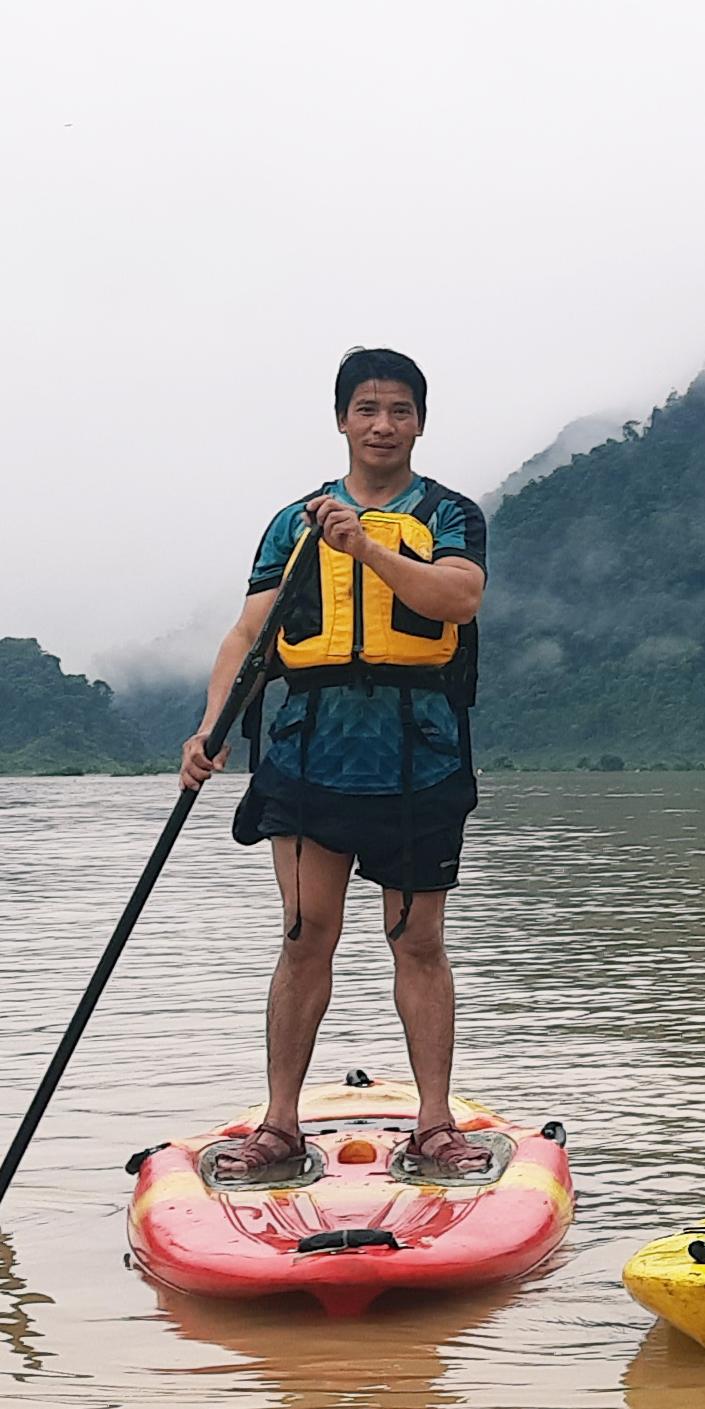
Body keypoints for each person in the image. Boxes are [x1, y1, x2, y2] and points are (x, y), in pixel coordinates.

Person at [181, 347, 490, 1179]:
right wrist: (210, 730)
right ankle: (279, 1123)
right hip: (309, 753)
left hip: (416, 758)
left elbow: (456, 598)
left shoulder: (449, 513)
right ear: (342, 419)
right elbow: (249, 635)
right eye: (366, 410)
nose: (382, 426)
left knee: (417, 941)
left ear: (420, 422)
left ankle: (433, 1123)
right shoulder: (294, 522)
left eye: (398, 411)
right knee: (303, 936)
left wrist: (367, 551)